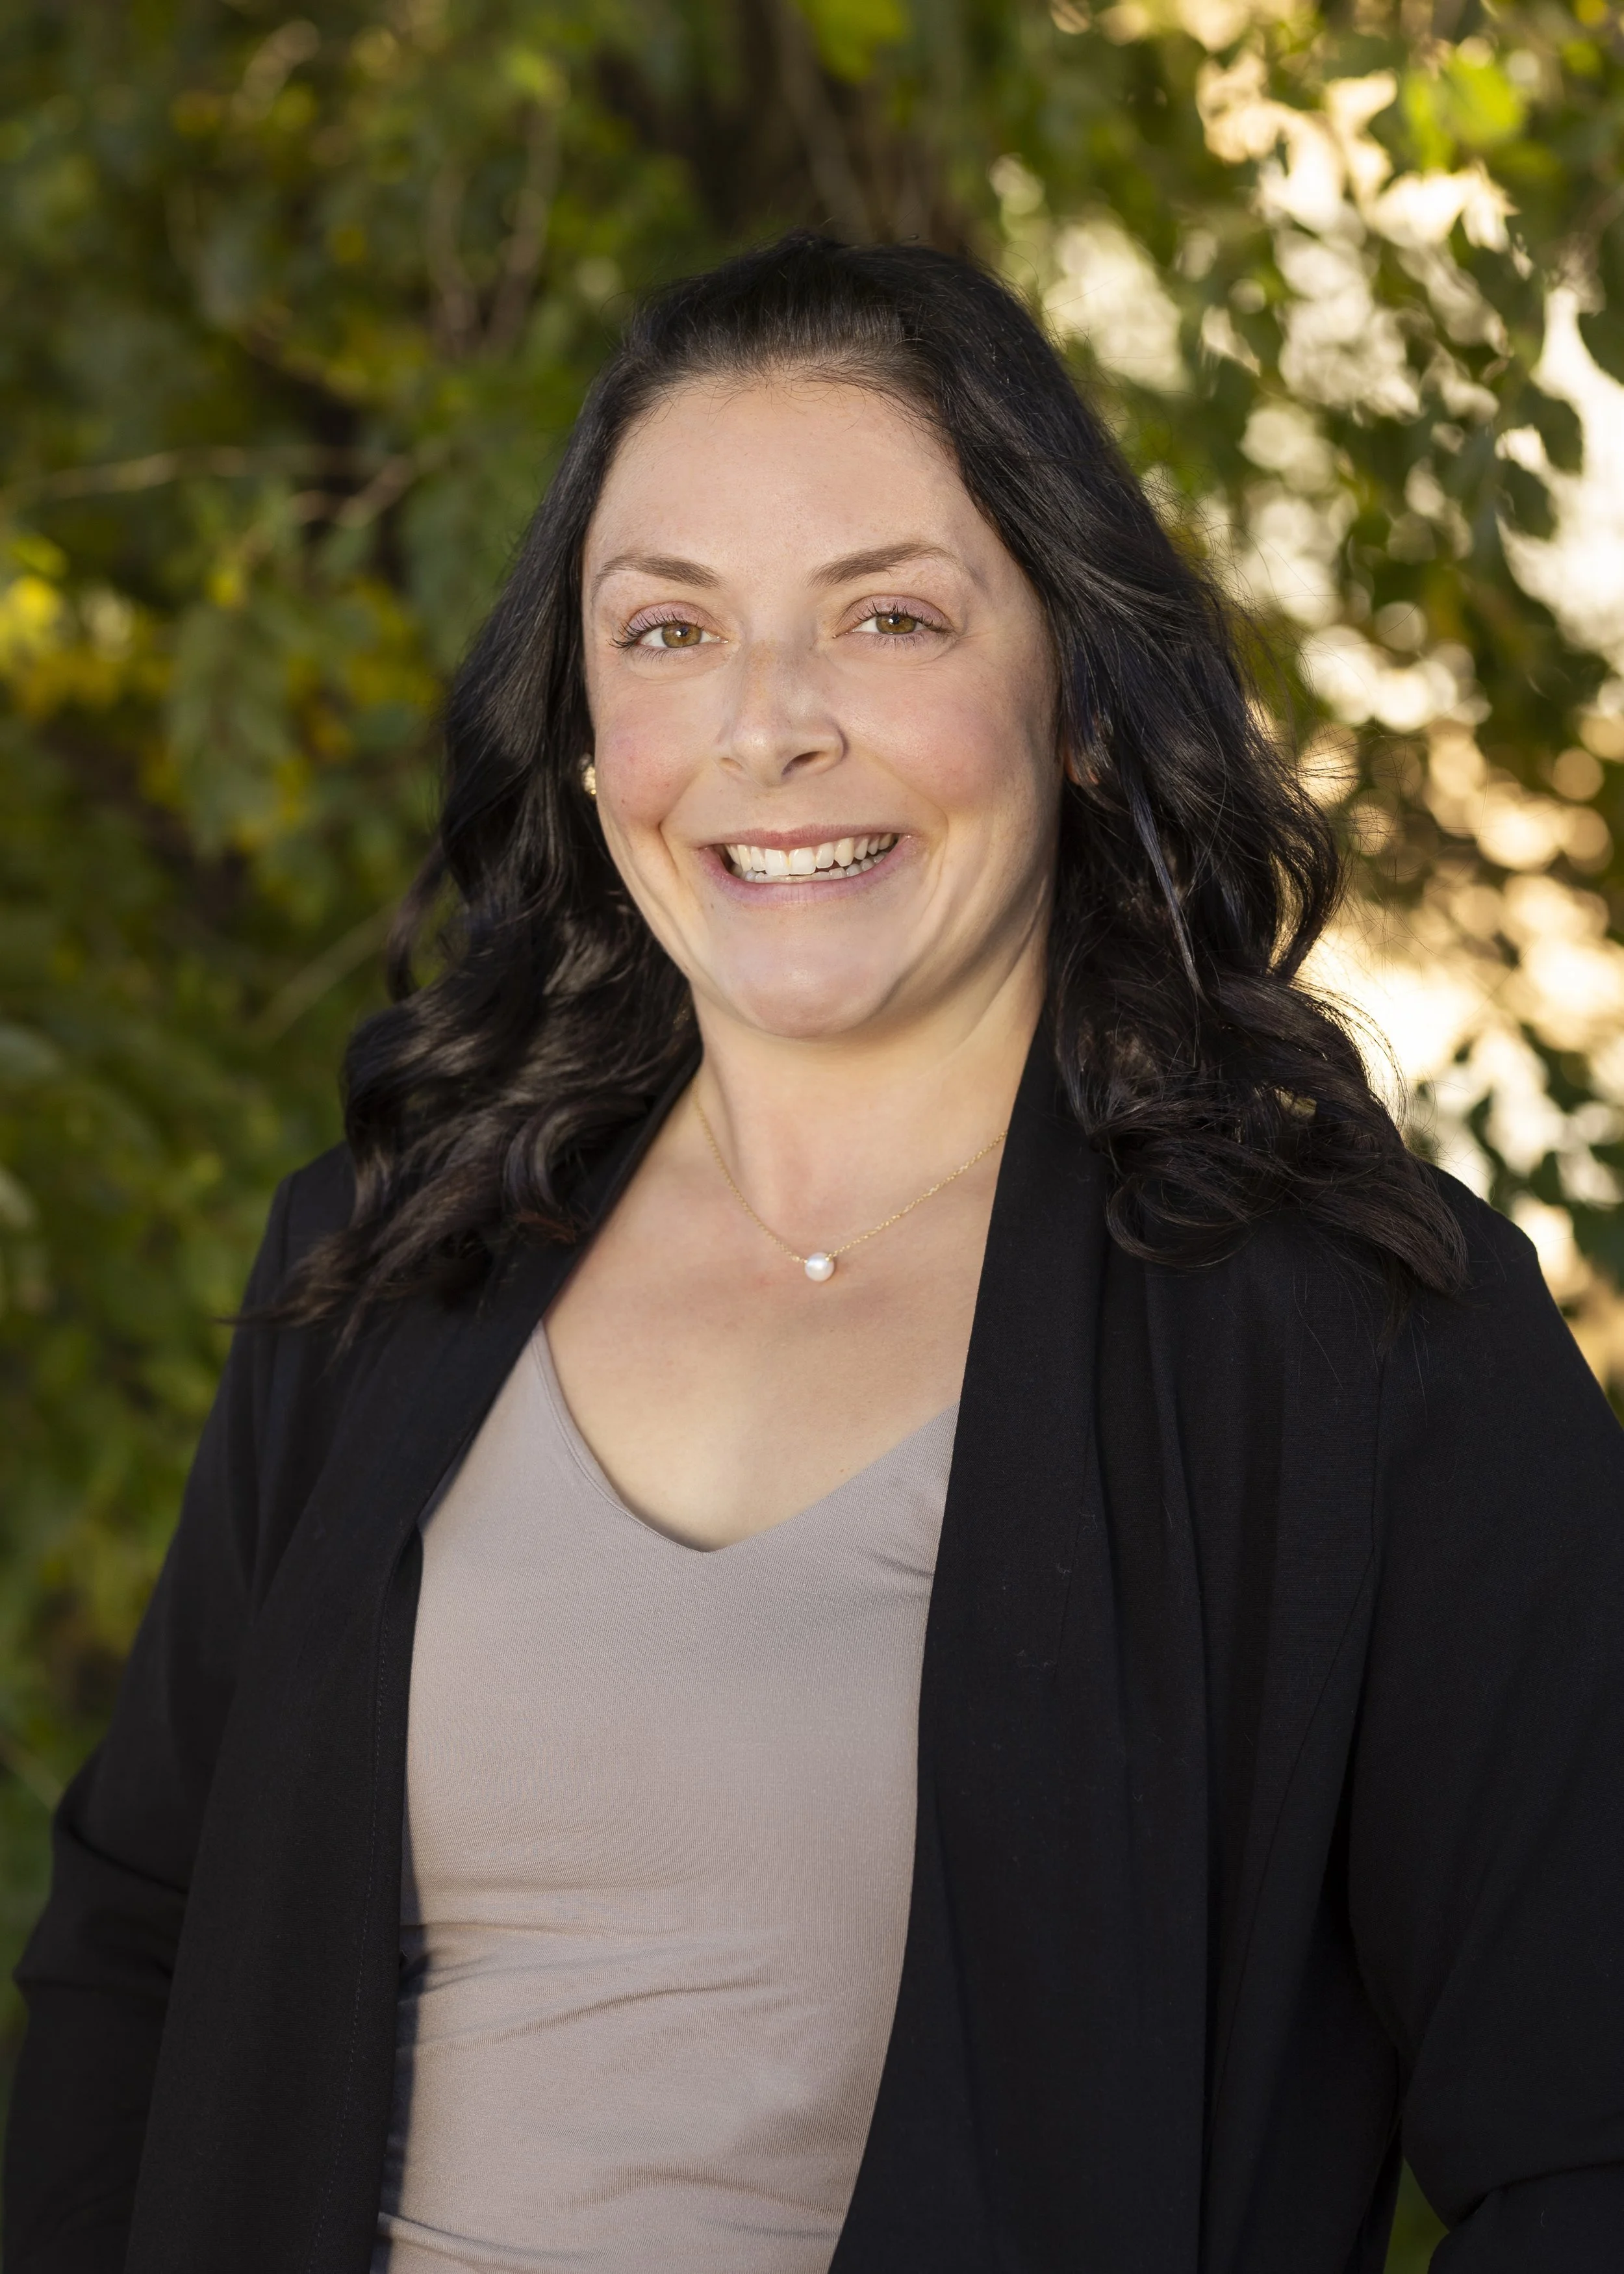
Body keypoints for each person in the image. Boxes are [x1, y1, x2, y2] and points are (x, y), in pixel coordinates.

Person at [6, 231, 1623, 2274]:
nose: (767, 727)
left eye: (886, 618)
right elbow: (136, 1941)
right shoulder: (392, 1249)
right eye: (668, 631)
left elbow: (1586, 2142)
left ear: (1081, 702)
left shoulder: (1362, 1347)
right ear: (588, 734)